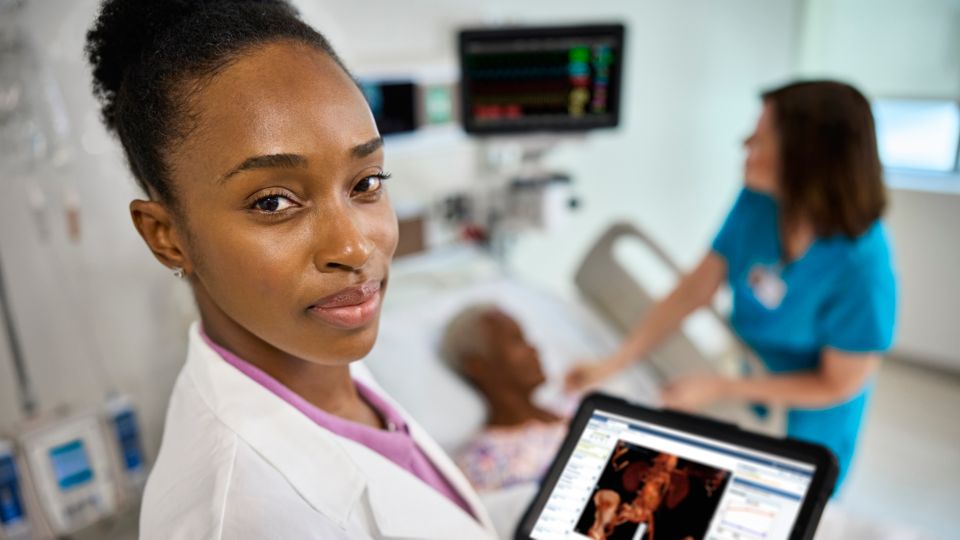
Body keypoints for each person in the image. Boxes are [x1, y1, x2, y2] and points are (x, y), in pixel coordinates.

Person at [85, 1, 496, 537]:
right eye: (273, 202)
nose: (352, 247)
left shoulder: (320, 359)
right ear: (168, 237)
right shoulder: (242, 517)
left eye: (366, 183)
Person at [564, 80, 897, 491]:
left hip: (809, 418)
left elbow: (838, 382)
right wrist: (616, 361)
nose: (745, 145)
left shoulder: (862, 267)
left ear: (806, 158)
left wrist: (720, 387)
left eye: (761, 137)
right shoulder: (758, 203)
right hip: (745, 382)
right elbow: (693, 291)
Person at [440, 305, 570, 492]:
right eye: (517, 340)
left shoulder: (575, 403)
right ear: (477, 366)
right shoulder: (481, 463)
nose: (534, 348)